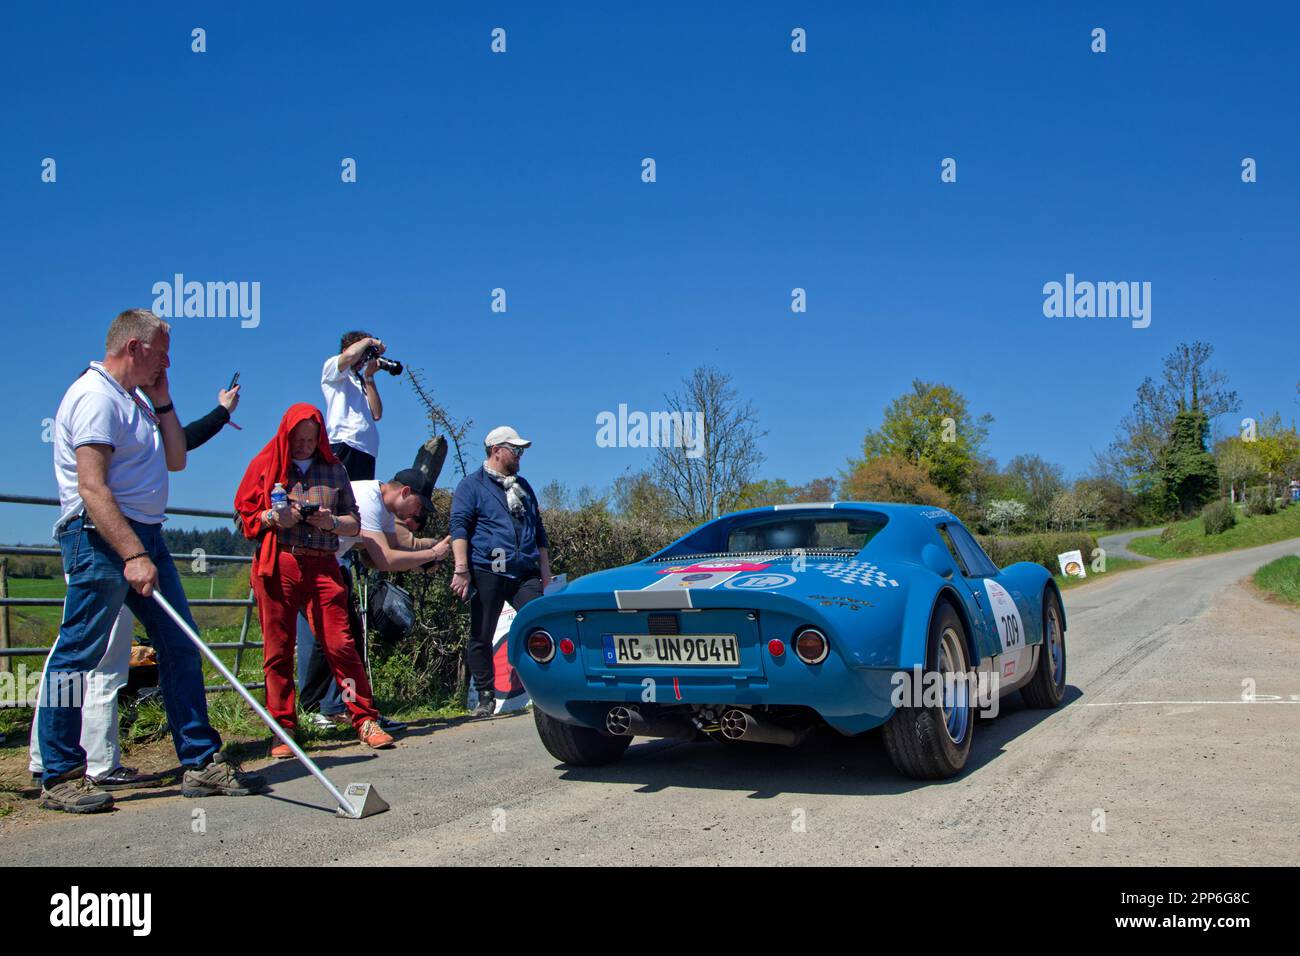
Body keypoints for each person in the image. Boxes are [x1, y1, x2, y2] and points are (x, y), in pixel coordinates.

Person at [37, 308, 264, 813]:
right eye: (162, 350)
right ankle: (60, 772)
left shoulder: (135, 400)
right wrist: (133, 553)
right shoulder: (96, 397)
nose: (169, 359)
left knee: (181, 644)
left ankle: (200, 761)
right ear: (136, 347)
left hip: (145, 534)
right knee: (79, 651)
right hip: (102, 535)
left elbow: (176, 458)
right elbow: (92, 487)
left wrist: (163, 400)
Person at [234, 403, 394, 756]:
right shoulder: (266, 465)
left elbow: (354, 522)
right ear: (286, 435)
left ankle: (364, 718)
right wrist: (274, 518)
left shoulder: (334, 470)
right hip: (280, 564)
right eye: (298, 438)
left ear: (321, 437)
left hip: (323, 565)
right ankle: (283, 728)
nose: (305, 445)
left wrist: (331, 522)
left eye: (311, 438)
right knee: (277, 649)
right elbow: (243, 518)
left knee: (341, 645)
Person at [297, 470, 451, 727]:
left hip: (329, 565)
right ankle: (331, 707)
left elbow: (388, 553)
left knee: (348, 639)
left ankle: (334, 707)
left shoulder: (385, 510)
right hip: (314, 564)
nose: (418, 515)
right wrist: (432, 552)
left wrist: (427, 560)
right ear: (405, 492)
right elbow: (385, 559)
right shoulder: (368, 501)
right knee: (342, 639)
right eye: (418, 507)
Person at [450, 427, 552, 718]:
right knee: (481, 634)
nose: (521, 456)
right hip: (487, 569)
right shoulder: (471, 486)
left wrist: (545, 573)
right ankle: (485, 695)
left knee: (539, 622)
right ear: (496, 450)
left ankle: (545, 687)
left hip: (523, 572)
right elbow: (459, 527)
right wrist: (461, 569)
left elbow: (540, 532)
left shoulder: (524, 487)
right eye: (515, 450)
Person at [320, 332, 386, 481]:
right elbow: (350, 356)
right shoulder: (333, 368)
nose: (363, 359)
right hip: (344, 442)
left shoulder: (360, 380)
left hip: (367, 449)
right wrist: (369, 341)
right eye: (362, 353)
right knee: (340, 498)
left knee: (358, 501)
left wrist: (369, 377)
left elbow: (377, 414)